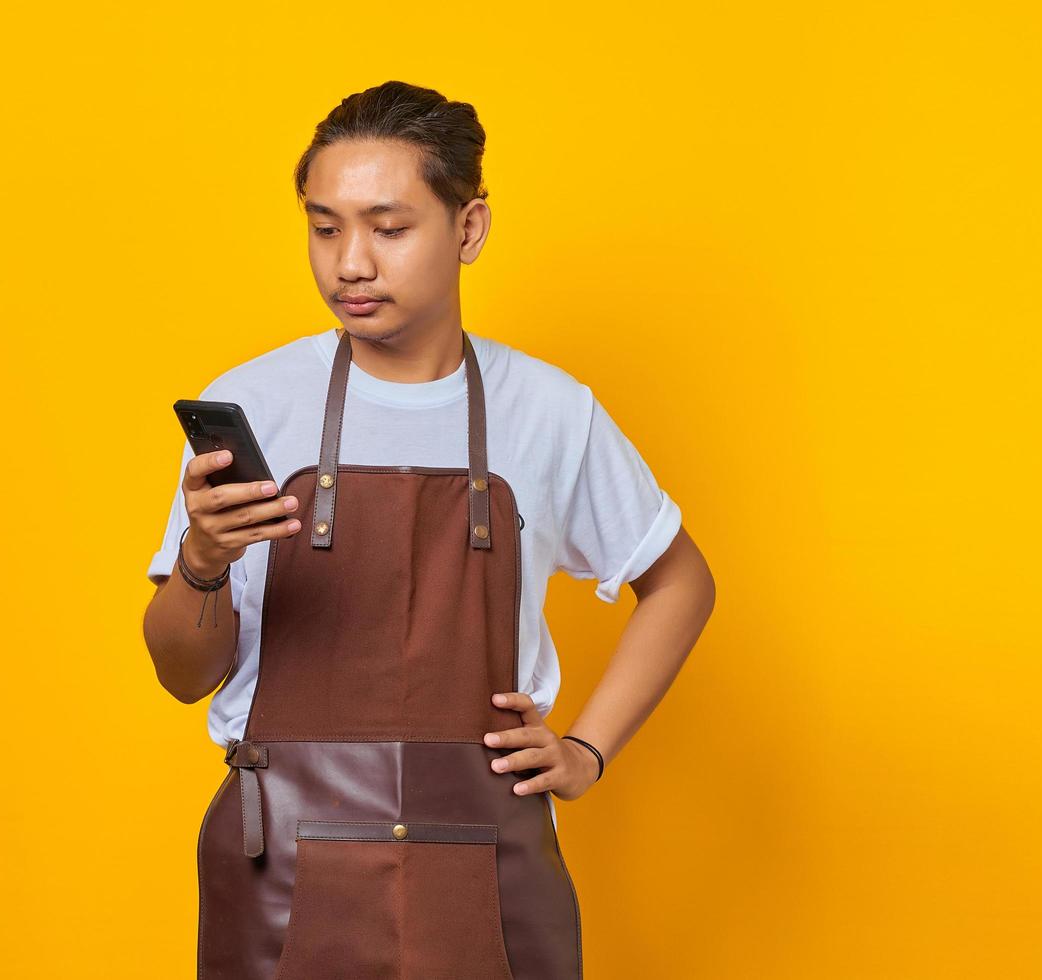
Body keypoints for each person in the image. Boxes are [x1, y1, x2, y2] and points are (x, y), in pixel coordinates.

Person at [142, 79, 716, 980]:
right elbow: (181, 675)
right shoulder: (257, 403)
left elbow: (680, 583)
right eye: (324, 227)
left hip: (485, 861)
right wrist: (203, 561)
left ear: (469, 229)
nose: (350, 264)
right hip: (281, 861)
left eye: (389, 227)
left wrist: (586, 752)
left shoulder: (550, 412)